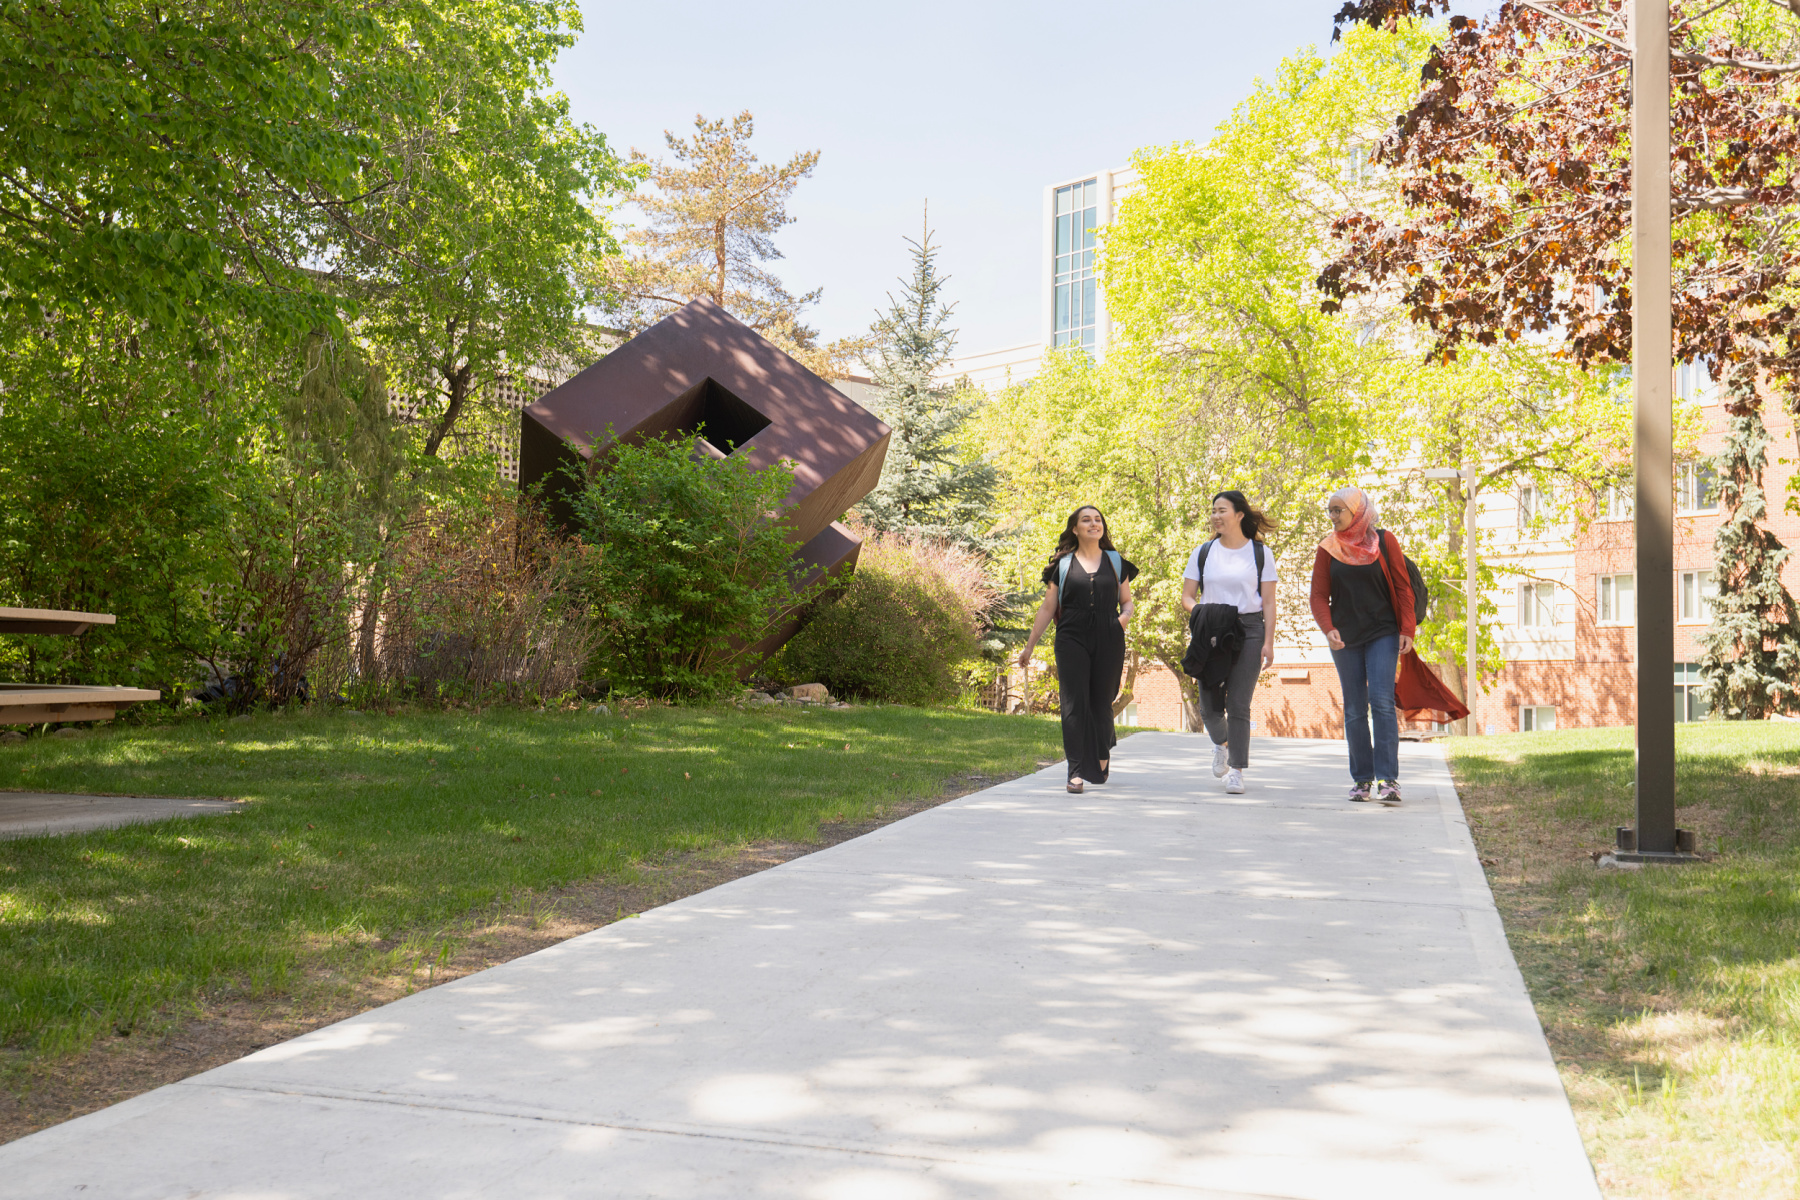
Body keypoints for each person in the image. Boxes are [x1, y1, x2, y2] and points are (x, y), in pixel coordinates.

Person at [1017, 505, 1137, 793]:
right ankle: (1075, 771)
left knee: (1101, 701)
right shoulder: (1063, 564)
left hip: (1109, 636)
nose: (1094, 524)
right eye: (1086, 520)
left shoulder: (1115, 561)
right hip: (1071, 636)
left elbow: (1128, 603)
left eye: (1098, 519)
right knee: (1073, 703)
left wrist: (1120, 622)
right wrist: (1029, 647)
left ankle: (1102, 750)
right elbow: (1048, 608)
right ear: (1075, 529)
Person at [1309, 486, 1415, 805]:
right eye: (1329, 510)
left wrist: (1407, 628)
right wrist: (1328, 629)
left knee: (1381, 701)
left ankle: (1388, 779)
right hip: (1345, 638)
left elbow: (1402, 587)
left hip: (1382, 631)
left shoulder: (1384, 541)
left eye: (1337, 510)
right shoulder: (1328, 548)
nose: (1332, 516)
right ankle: (1361, 779)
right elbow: (1317, 596)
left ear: (1357, 510)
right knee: (1355, 707)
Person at [1180, 491, 1277, 795]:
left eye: (1222, 510)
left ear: (1239, 515)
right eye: (1213, 511)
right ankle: (1222, 743)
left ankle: (1236, 769)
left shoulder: (1261, 554)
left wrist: (1269, 642)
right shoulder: (1203, 552)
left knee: (1238, 703)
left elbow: (1270, 603)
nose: (1215, 516)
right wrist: (1204, 613)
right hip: (1211, 629)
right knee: (1209, 707)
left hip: (1249, 629)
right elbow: (1186, 596)